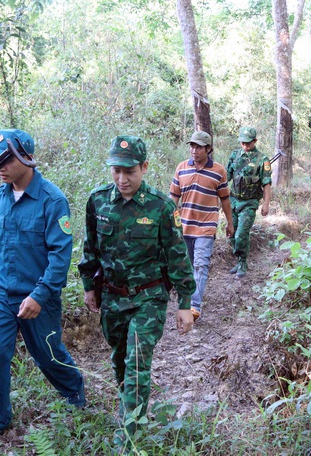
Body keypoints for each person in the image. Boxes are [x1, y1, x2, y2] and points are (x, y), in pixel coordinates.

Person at [78, 135, 195, 447]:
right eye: (116, 170)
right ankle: (129, 406)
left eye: (129, 171)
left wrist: (185, 302)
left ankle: (130, 437)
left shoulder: (160, 207)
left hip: (149, 297)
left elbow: (177, 256)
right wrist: (90, 286)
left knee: (138, 364)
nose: (122, 178)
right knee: (120, 362)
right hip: (113, 297)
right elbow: (90, 247)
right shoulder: (99, 200)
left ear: (144, 167)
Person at [0, 129, 85, 441]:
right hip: (2, 295)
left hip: (37, 298)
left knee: (49, 355)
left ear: (27, 158)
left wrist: (41, 294)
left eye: (6, 160)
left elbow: (61, 256)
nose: (0, 167)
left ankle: (75, 397)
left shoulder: (52, 200)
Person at [169, 130, 233, 320]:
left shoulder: (219, 171)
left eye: (198, 147)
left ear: (208, 149)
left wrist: (230, 223)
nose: (194, 150)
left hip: (206, 227)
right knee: (186, 266)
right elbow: (173, 197)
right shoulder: (181, 168)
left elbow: (225, 199)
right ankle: (185, 300)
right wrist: (167, 222)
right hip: (184, 227)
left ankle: (194, 306)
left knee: (200, 265)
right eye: (192, 146)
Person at [225, 126, 272, 279]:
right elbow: (226, 178)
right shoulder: (234, 156)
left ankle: (243, 262)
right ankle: (238, 261)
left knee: (241, 234)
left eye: (248, 143)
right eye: (242, 143)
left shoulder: (262, 159)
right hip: (233, 201)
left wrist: (266, 204)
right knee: (232, 234)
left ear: (255, 141)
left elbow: (266, 183)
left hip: (249, 203)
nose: (245, 146)